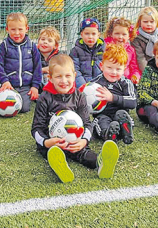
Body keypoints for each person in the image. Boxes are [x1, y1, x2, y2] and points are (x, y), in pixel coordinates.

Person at [31, 54, 119, 183]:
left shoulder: (79, 96)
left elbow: (87, 124)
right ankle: (61, 166)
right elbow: (36, 128)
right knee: (53, 153)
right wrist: (46, 142)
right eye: (58, 76)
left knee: (84, 154)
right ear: (50, 78)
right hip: (52, 142)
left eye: (67, 76)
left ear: (74, 76)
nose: (64, 80)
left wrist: (83, 141)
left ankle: (101, 163)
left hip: (75, 140)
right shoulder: (44, 98)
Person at [0, 13, 42, 113]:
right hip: (9, 85)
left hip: (25, 86)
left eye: (20, 29)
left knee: (24, 108)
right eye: (13, 29)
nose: (16, 33)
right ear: (7, 29)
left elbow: (38, 67)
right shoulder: (4, 46)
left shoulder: (32, 46)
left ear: (26, 28)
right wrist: (4, 81)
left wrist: (35, 86)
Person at [89, 44, 136, 144]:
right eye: (109, 67)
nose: (113, 72)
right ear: (101, 66)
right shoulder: (95, 83)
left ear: (124, 69)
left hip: (120, 113)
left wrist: (112, 98)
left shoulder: (125, 83)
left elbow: (133, 102)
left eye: (118, 69)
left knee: (121, 115)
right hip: (102, 114)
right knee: (101, 122)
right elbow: (86, 97)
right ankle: (109, 135)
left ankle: (125, 131)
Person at [103, 17, 141, 84]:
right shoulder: (105, 47)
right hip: (108, 80)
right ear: (111, 33)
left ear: (129, 35)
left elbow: (134, 67)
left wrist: (135, 76)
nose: (120, 37)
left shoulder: (130, 50)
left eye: (124, 34)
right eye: (117, 33)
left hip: (124, 81)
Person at [131, 6, 158, 74]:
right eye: (145, 22)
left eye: (152, 22)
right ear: (140, 22)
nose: (149, 24)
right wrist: (148, 73)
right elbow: (140, 59)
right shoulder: (136, 39)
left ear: (157, 23)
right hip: (145, 69)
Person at [69, 18, 105, 87]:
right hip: (82, 87)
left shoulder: (104, 50)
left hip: (100, 86)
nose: (90, 37)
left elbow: (107, 69)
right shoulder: (75, 51)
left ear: (98, 35)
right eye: (87, 34)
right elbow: (75, 69)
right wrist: (83, 86)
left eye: (93, 34)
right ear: (81, 34)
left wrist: (102, 85)